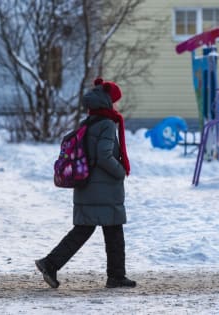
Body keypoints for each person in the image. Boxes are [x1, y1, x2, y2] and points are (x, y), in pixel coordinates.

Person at [35, 77, 136, 289]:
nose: (117, 104)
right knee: (113, 232)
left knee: (86, 231)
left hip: (88, 187)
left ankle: (51, 263)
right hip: (104, 190)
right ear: (107, 102)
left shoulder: (88, 123)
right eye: (116, 100)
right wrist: (120, 171)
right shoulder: (107, 124)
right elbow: (103, 155)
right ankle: (115, 276)